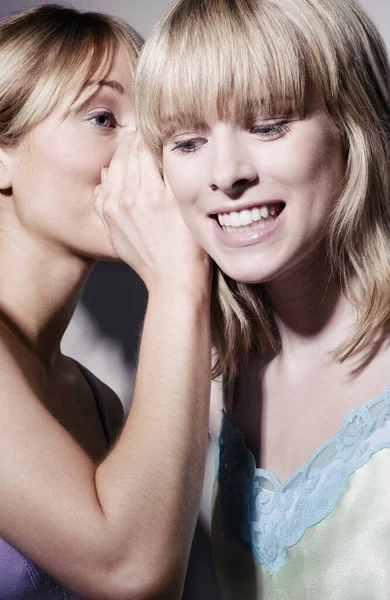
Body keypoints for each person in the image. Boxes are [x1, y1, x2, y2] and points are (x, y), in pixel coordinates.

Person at [134, 0, 390, 597]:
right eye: (188, 141)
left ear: (355, 126)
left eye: (269, 125)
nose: (225, 174)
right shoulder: (224, 370)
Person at [0, 4, 212, 600]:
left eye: (154, 126)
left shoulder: (97, 402)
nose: (149, 157)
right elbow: (130, 570)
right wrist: (177, 279)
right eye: (102, 118)